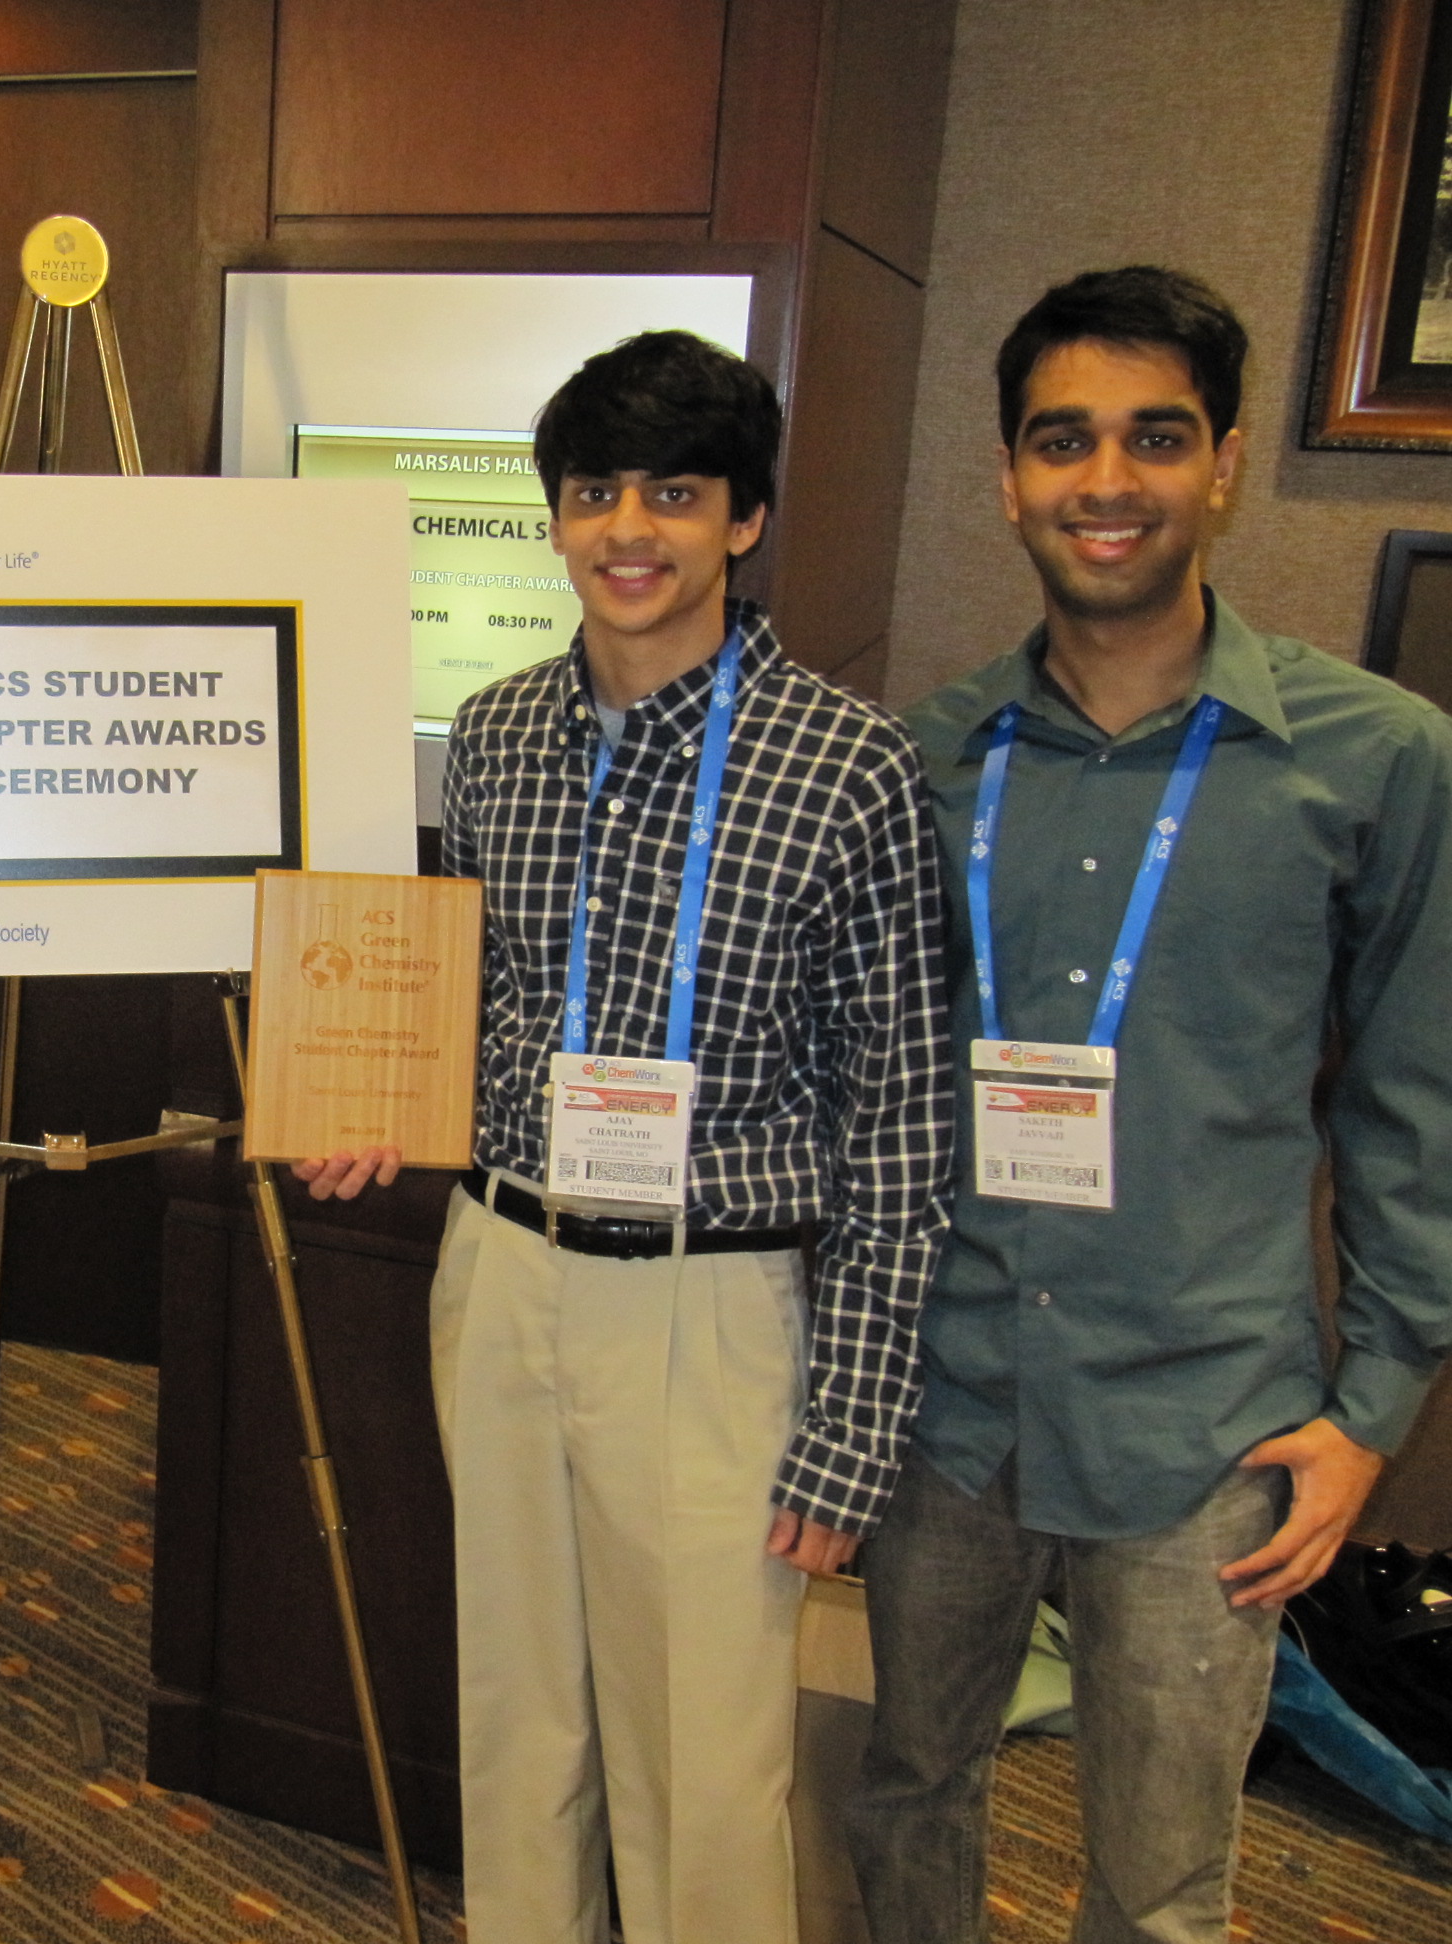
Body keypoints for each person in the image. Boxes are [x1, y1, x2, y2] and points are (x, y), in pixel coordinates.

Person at [299, 331, 955, 1944]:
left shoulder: (846, 763)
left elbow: (904, 1129)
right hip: (507, 1270)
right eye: (594, 491)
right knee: (518, 1709)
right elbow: (503, 1017)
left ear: (743, 519)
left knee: (704, 1761)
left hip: (714, 1307)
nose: (629, 529)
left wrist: (853, 1427)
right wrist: (386, 1103)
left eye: (675, 490)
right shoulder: (504, 735)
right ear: (553, 517)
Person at [849, 266, 1452, 1943]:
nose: (1105, 482)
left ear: (1226, 464)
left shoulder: (1379, 759)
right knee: (907, 1791)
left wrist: (1374, 1411)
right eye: (1063, 441)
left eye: (1153, 438)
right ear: (1010, 475)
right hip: (946, 1406)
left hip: (1209, 1427)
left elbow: (1419, 1104)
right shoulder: (930, 756)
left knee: (1166, 1872)